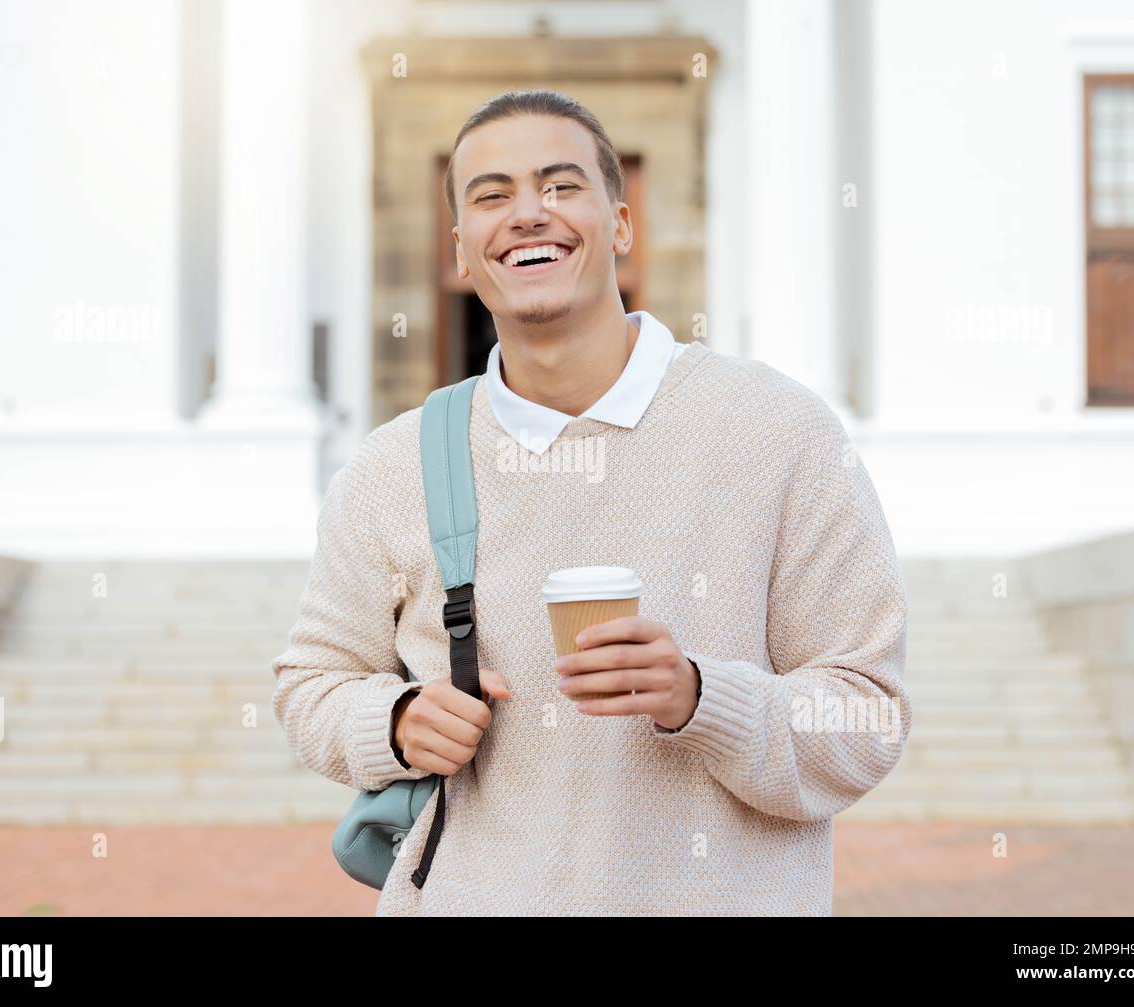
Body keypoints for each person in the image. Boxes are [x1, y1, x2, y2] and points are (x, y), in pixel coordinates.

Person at [271, 88, 911, 916]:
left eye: (561, 185)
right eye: (492, 195)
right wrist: (394, 721)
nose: (529, 213)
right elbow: (309, 683)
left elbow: (867, 713)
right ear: (463, 252)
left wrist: (701, 697)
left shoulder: (777, 432)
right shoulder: (396, 465)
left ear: (621, 225)